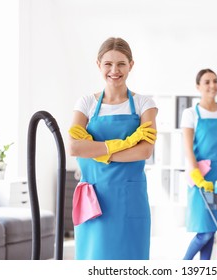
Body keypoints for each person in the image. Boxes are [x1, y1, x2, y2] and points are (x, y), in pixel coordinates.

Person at [68, 37, 158, 260]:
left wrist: (98, 152)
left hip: (130, 198)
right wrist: (125, 144)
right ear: (98, 64)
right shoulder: (86, 103)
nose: (114, 70)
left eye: (121, 64)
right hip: (94, 198)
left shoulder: (144, 104)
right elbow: (74, 147)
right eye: (108, 64)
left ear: (131, 65)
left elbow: (144, 151)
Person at [181, 69, 217, 260]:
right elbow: (188, 148)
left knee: (212, 230)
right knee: (204, 231)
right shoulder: (190, 114)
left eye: (215, 81)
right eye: (207, 82)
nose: (212, 85)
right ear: (198, 87)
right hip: (201, 175)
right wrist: (196, 175)